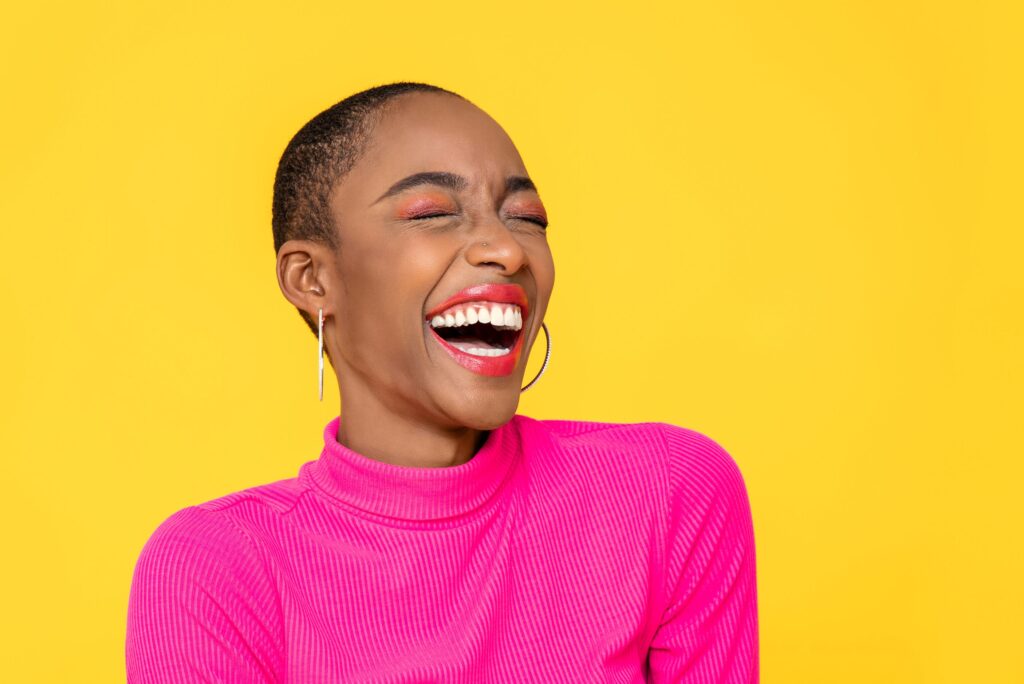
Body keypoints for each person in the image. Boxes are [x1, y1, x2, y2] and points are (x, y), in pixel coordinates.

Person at [125, 82, 759, 682]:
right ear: (312, 278)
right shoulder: (216, 571)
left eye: (528, 218)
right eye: (431, 212)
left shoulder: (667, 494)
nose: (507, 250)